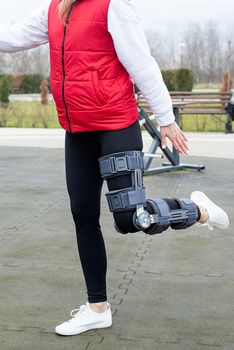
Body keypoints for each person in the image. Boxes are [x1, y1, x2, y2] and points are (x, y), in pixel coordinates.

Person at [0, 0, 229, 337]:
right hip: (77, 131)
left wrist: (165, 118)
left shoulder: (112, 5)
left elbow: (141, 63)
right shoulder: (54, 9)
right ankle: (97, 308)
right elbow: (12, 37)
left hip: (115, 126)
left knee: (131, 219)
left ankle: (198, 210)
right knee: (83, 215)